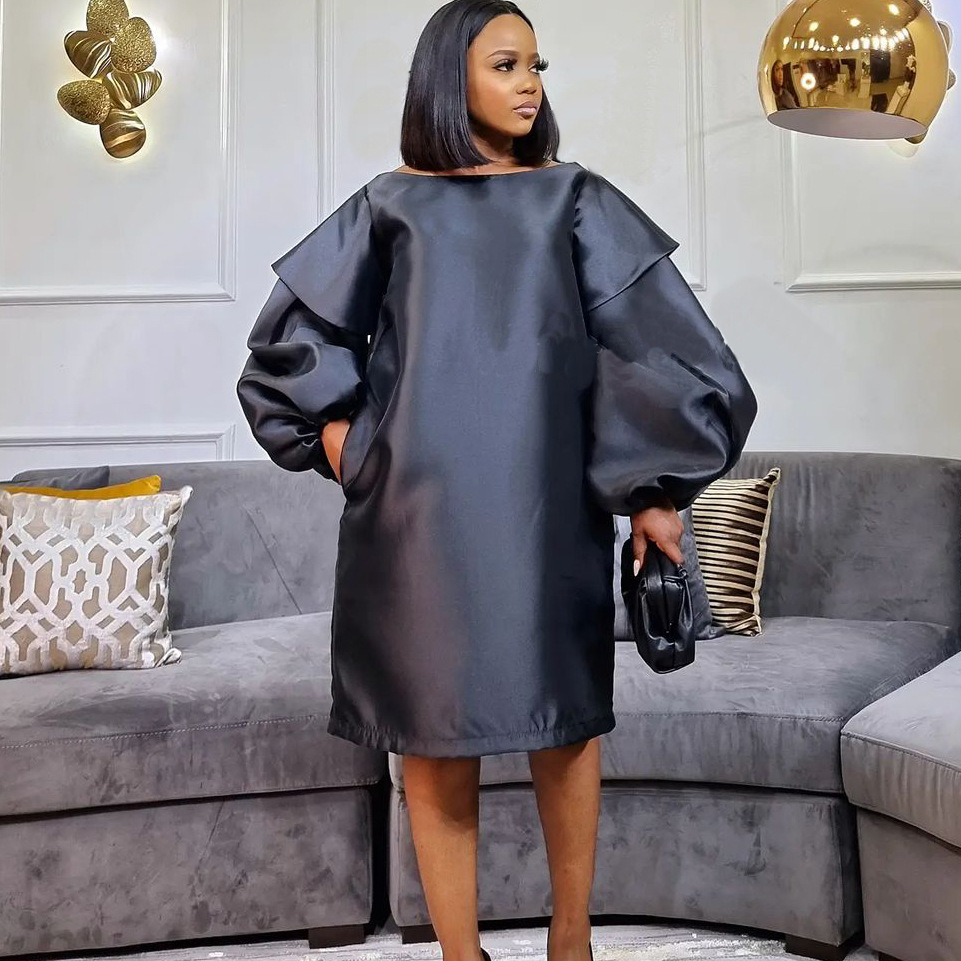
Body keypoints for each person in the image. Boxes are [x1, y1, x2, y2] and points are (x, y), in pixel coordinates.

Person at [236, 2, 758, 960]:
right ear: (450, 76)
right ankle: (459, 953)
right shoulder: (388, 204)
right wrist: (349, 446)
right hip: (414, 524)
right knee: (435, 743)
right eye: (506, 64)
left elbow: (655, 348)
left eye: (535, 66)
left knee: (564, 726)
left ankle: (571, 940)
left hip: (545, 512)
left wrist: (654, 493)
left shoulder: (574, 199)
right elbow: (289, 348)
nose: (529, 84)